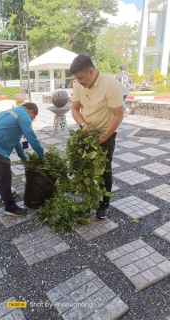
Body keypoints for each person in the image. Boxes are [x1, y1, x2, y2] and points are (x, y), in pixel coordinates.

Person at [70, 54, 124, 219]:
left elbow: (118, 116)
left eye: (81, 78)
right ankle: (90, 194)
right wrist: (83, 125)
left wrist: (104, 137)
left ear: (91, 71)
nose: (79, 82)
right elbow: (74, 109)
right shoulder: (79, 85)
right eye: (76, 79)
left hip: (105, 133)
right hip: (86, 132)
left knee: (104, 168)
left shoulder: (111, 85)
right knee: (86, 165)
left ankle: (104, 203)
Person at [0, 103, 47, 217]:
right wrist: (42, 156)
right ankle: (10, 207)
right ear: (31, 112)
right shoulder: (24, 115)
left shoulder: (14, 113)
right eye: (33, 118)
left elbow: (16, 141)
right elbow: (31, 137)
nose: (31, 120)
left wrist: (23, 158)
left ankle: (6, 195)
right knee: (4, 173)